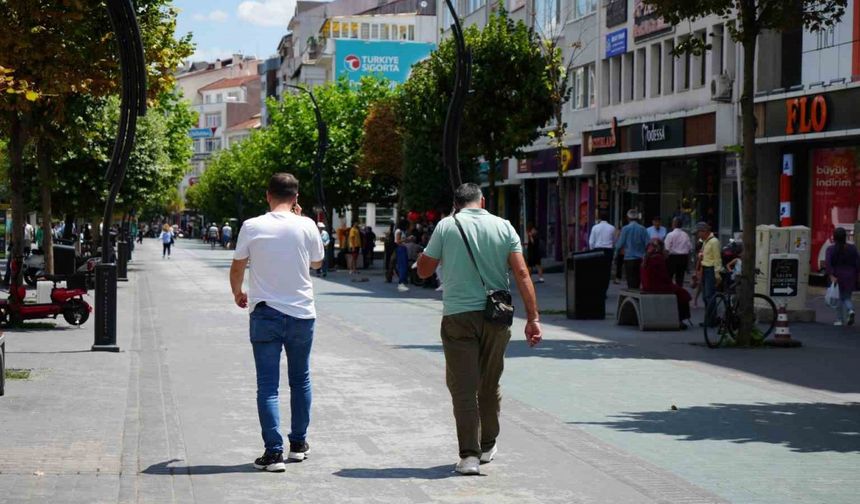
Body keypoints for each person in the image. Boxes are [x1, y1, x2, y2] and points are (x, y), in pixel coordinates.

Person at [416, 183, 542, 476]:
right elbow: (522, 272)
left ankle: (469, 456)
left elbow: (423, 270)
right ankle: (487, 444)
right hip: (496, 316)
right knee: (489, 382)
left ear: (456, 204)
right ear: (482, 201)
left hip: (458, 316)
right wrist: (533, 318)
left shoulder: (447, 226)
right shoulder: (504, 226)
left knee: (463, 387)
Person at [229, 173, 324, 473]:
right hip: (301, 314)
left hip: (265, 313)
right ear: (295, 198)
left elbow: (237, 265)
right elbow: (317, 263)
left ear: (268, 195)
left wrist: (238, 292)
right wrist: (303, 221)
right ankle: (298, 444)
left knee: (268, 386)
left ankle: (273, 453)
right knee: (301, 380)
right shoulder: (307, 225)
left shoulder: (252, 226)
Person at [641, 238, 692, 329]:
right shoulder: (658, 258)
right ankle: (680, 319)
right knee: (682, 293)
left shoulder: (647, 256)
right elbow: (664, 277)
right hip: (656, 286)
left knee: (679, 291)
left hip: (648, 286)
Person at [826, 227, 860, 326]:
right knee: (847, 297)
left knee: (838, 298)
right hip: (850, 275)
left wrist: (831, 274)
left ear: (834, 237)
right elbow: (857, 263)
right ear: (845, 237)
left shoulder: (831, 249)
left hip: (837, 275)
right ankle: (850, 310)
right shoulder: (852, 248)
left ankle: (840, 319)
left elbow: (828, 263)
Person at [614, 209, 649, 289]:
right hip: (640, 258)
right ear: (637, 218)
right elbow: (647, 244)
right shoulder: (643, 229)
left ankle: (632, 297)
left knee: (630, 280)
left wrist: (615, 253)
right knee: (638, 280)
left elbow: (620, 244)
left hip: (629, 258)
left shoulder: (625, 229)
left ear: (628, 218)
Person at [696, 222, 720, 311]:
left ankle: (711, 320)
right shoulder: (705, 241)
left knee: (709, 295)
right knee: (705, 296)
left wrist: (717, 274)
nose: (698, 235)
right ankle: (708, 319)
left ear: (704, 231)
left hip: (710, 269)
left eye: (699, 232)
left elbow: (717, 259)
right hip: (704, 269)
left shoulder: (714, 241)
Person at [664, 218, 692, 287]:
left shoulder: (670, 235)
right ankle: (679, 292)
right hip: (683, 258)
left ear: (674, 224)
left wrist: (665, 260)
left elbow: (666, 249)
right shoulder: (685, 235)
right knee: (680, 278)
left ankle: (669, 291)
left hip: (672, 258)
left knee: (669, 276)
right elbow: (690, 248)